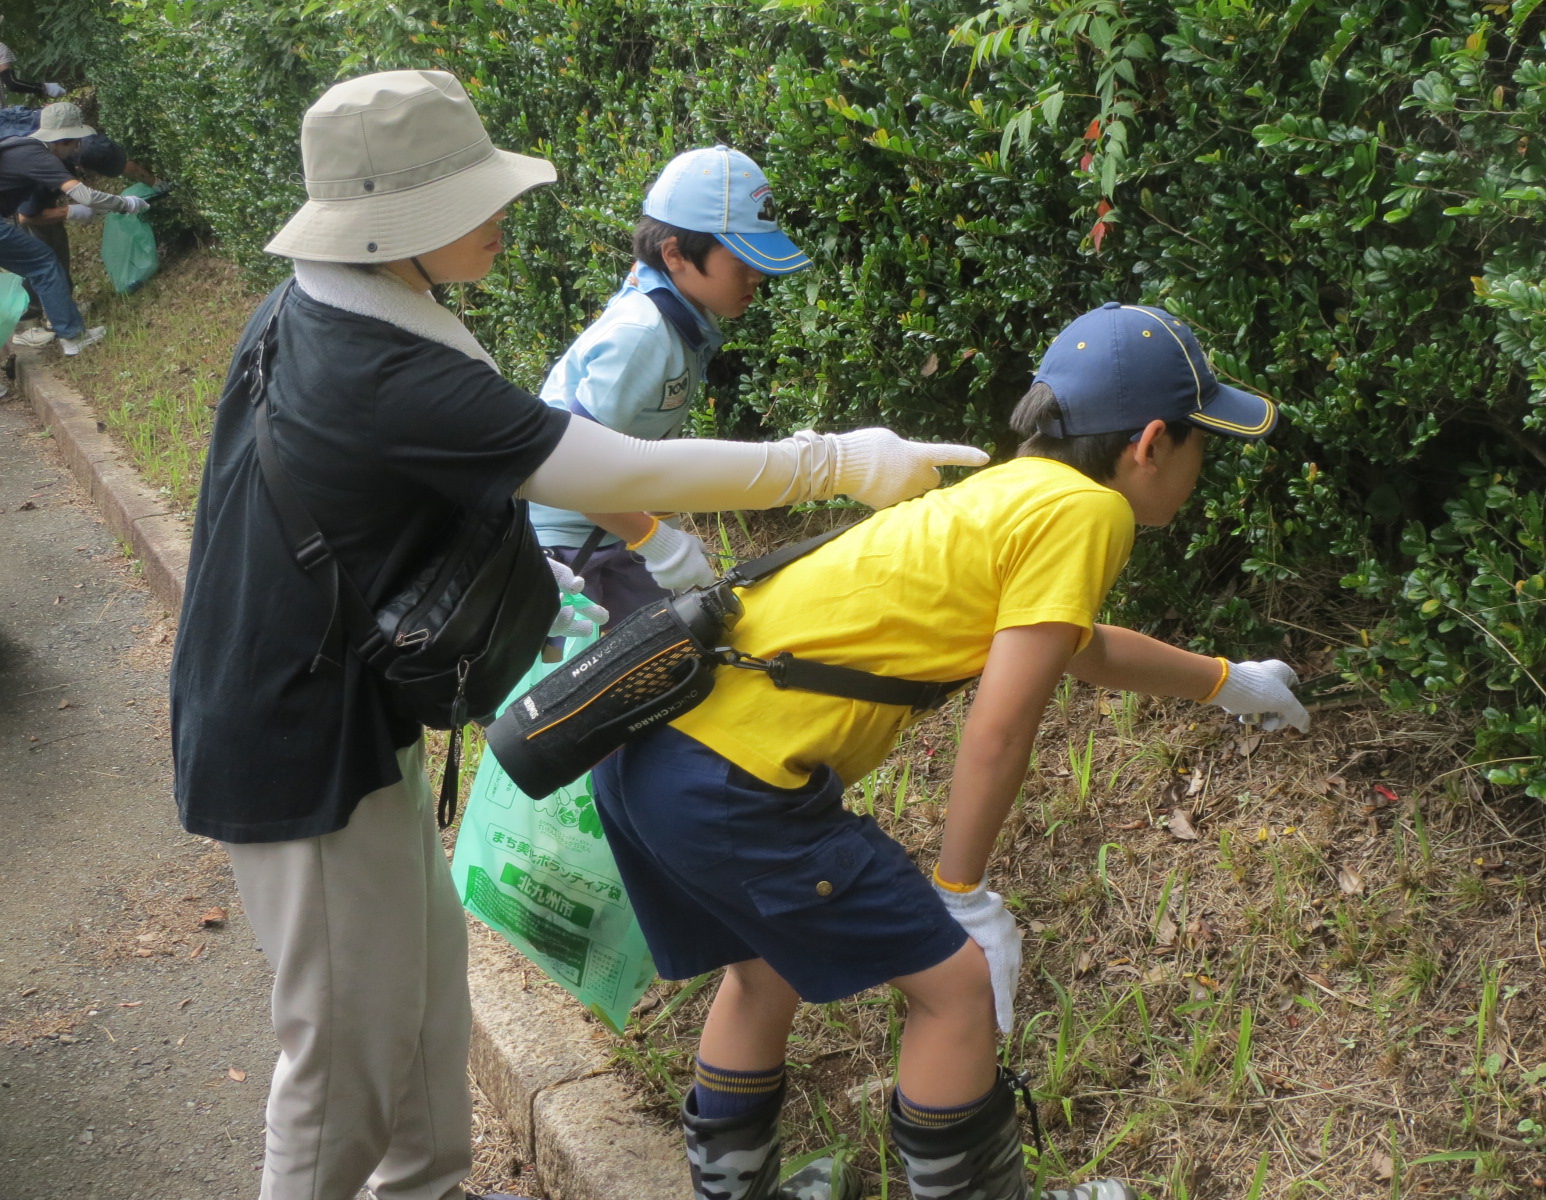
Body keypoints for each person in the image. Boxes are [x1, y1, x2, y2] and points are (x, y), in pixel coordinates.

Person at [167, 69, 986, 1200]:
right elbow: (616, 466)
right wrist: (834, 461)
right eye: (478, 195)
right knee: (344, 1056)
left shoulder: (333, 307)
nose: (506, 213)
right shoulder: (383, 368)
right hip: (294, 744)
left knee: (423, 999)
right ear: (400, 226)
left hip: (349, 707)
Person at [590, 301, 1312, 1200]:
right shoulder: (1087, 512)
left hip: (650, 751)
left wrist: (1224, 680)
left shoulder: (1000, 494)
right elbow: (1002, 724)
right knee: (957, 989)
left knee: (762, 970)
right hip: (731, 785)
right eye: (1203, 443)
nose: (1200, 469)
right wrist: (963, 892)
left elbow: (1077, 647)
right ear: (1152, 442)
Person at [526, 144, 811, 625]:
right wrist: (657, 541)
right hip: (567, 550)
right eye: (742, 261)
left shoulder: (678, 320)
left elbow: (634, 448)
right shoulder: (643, 337)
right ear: (675, 254)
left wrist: (665, 526)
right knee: (583, 683)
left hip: (613, 529)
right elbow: (566, 467)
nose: (757, 276)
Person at [0, 102, 147, 355]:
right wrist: (126, 204)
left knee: (40, 264)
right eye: (75, 143)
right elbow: (85, 196)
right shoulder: (39, 157)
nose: (76, 149)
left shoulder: (20, 145)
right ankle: (72, 336)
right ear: (62, 141)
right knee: (44, 264)